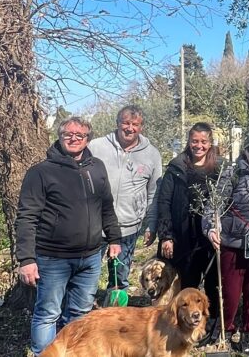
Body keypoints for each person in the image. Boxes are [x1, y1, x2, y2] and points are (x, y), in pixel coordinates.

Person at [15, 117, 121, 355]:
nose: (73, 138)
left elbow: (106, 206)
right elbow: (26, 217)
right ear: (60, 137)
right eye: (68, 134)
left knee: (80, 314)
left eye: (79, 135)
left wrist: (114, 239)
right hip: (53, 258)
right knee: (47, 314)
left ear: (87, 139)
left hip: (92, 257)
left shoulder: (97, 167)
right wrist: (26, 259)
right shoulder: (41, 172)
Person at [204, 132, 249, 355]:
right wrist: (211, 227)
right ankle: (226, 330)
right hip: (233, 243)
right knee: (231, 293)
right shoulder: (232, 173)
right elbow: (214, 204)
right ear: (244, 150)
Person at [156, 122, 228, 326]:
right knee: (188, 283)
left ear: (210, 142)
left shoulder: (220, 168)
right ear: (188, 142)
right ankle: (185, 324)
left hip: (211, 237)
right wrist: (166, 235)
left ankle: (213, 323)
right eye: (194, 141)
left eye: (203, 141)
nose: (199, 146)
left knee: (214, 282)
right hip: (183, 236)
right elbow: (164, 202)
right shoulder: (177, 167)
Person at [88, 105, 162, 291]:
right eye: (125, 123)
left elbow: (154, 193)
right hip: (95, 225)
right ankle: (86, 313)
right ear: (117, 123)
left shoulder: (151, 154)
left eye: (135, 124)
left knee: (119, 279)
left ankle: (115, 313)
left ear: (141, 127)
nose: (130, 128)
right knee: (88, 278)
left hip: (128, 228)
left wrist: (151, 225)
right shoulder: (96, 147)